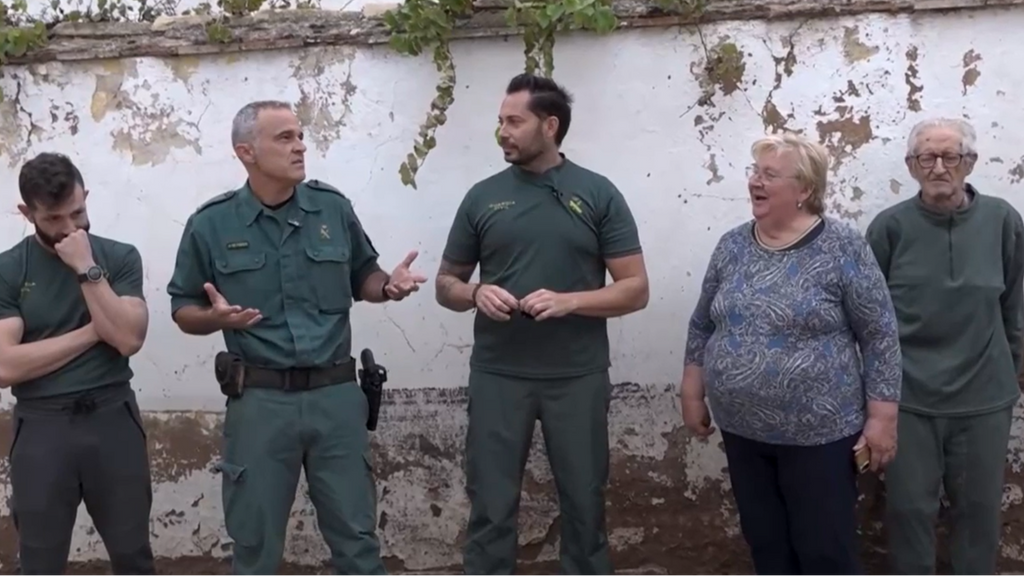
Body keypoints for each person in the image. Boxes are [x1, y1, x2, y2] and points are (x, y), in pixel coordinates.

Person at [166, 100, 426, 576]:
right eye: (284, 137)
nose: (300, 145)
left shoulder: (332, 207)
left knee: (357, 540)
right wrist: (217, 318)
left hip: (336, 399)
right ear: (246, 151)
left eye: (300, 135)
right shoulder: (211, 224)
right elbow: (182, 309)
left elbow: (363, 274)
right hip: (261, 404)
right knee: (255, 545)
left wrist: (388, 286)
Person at [434, 73, 649, 576]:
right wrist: (474, 292)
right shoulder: (482, 197)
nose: (502, 132)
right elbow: (445, 285)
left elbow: (635, 288)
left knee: (585, 505)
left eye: (514, 121)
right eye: (500, 122)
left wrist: (570, 301)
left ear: (550, 125)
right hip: (498, 375)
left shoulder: (598, 194)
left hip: (577, 376)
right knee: (490, 506)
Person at [680, 133, 902, 576]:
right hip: (743, 430)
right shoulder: (732, 245)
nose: (755, 182)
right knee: (767, 545)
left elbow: (879, 334)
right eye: (754, 172)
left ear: (804, 189)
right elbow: (704, 321)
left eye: (769, 175)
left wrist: (882, 418)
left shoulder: (842, 246)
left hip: (819, 436)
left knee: (824, 551)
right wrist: (692, 390)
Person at [866, 117, 1024, 576]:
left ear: (968, 163)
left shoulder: (1002, 221)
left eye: (950, 157)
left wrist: (1010, 370)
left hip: (983, 399)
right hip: (908, 399)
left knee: (978, 513)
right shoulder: (889, 228)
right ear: (911, 167)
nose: (938, 167)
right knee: (909, 512)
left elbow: (1015, 301)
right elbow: (869, 316)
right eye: (926, 158)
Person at [0, 152, 154, 575]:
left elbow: (127, 338)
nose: (70, 228)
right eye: (54, 220)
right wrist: (93, 331)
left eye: (78, 212)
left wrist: (86, 268)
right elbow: (5, 367)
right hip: (42, 426)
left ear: (86, 196)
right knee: (41, 558)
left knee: (132, 553)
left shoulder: (119, 257)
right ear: (27, 213)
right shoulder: (9, 269)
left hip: (112, 417)